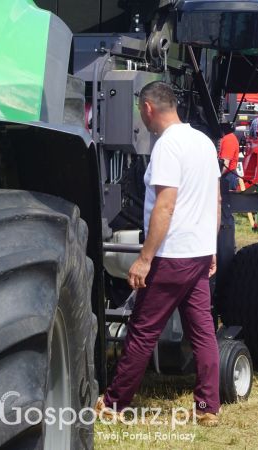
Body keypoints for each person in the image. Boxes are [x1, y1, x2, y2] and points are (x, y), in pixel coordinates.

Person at [96, 81, 222, 426]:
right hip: (196, 252)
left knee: (142, 330)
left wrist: (145, 258)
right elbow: (216, 200)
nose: (142, 119)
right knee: (202, 330)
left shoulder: (167, 146)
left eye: (141, 112)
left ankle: (114, 403)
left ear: (148, 108)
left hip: (171, 255)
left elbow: (164, 207)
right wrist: (210, 249)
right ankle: (208, 406)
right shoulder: (203, 142)